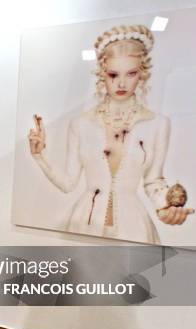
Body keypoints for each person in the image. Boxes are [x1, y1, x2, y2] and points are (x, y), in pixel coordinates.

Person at [28, 24, 193, 244]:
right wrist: (39, 155)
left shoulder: (158, 124)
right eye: (113, 74)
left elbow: (153, 181)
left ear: (141, 74)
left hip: (133, 228)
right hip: (84, 226)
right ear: (102, 74)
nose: (122, 83)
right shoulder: (81, 123)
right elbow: (68, 183)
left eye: (131, 73)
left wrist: (166, 207)